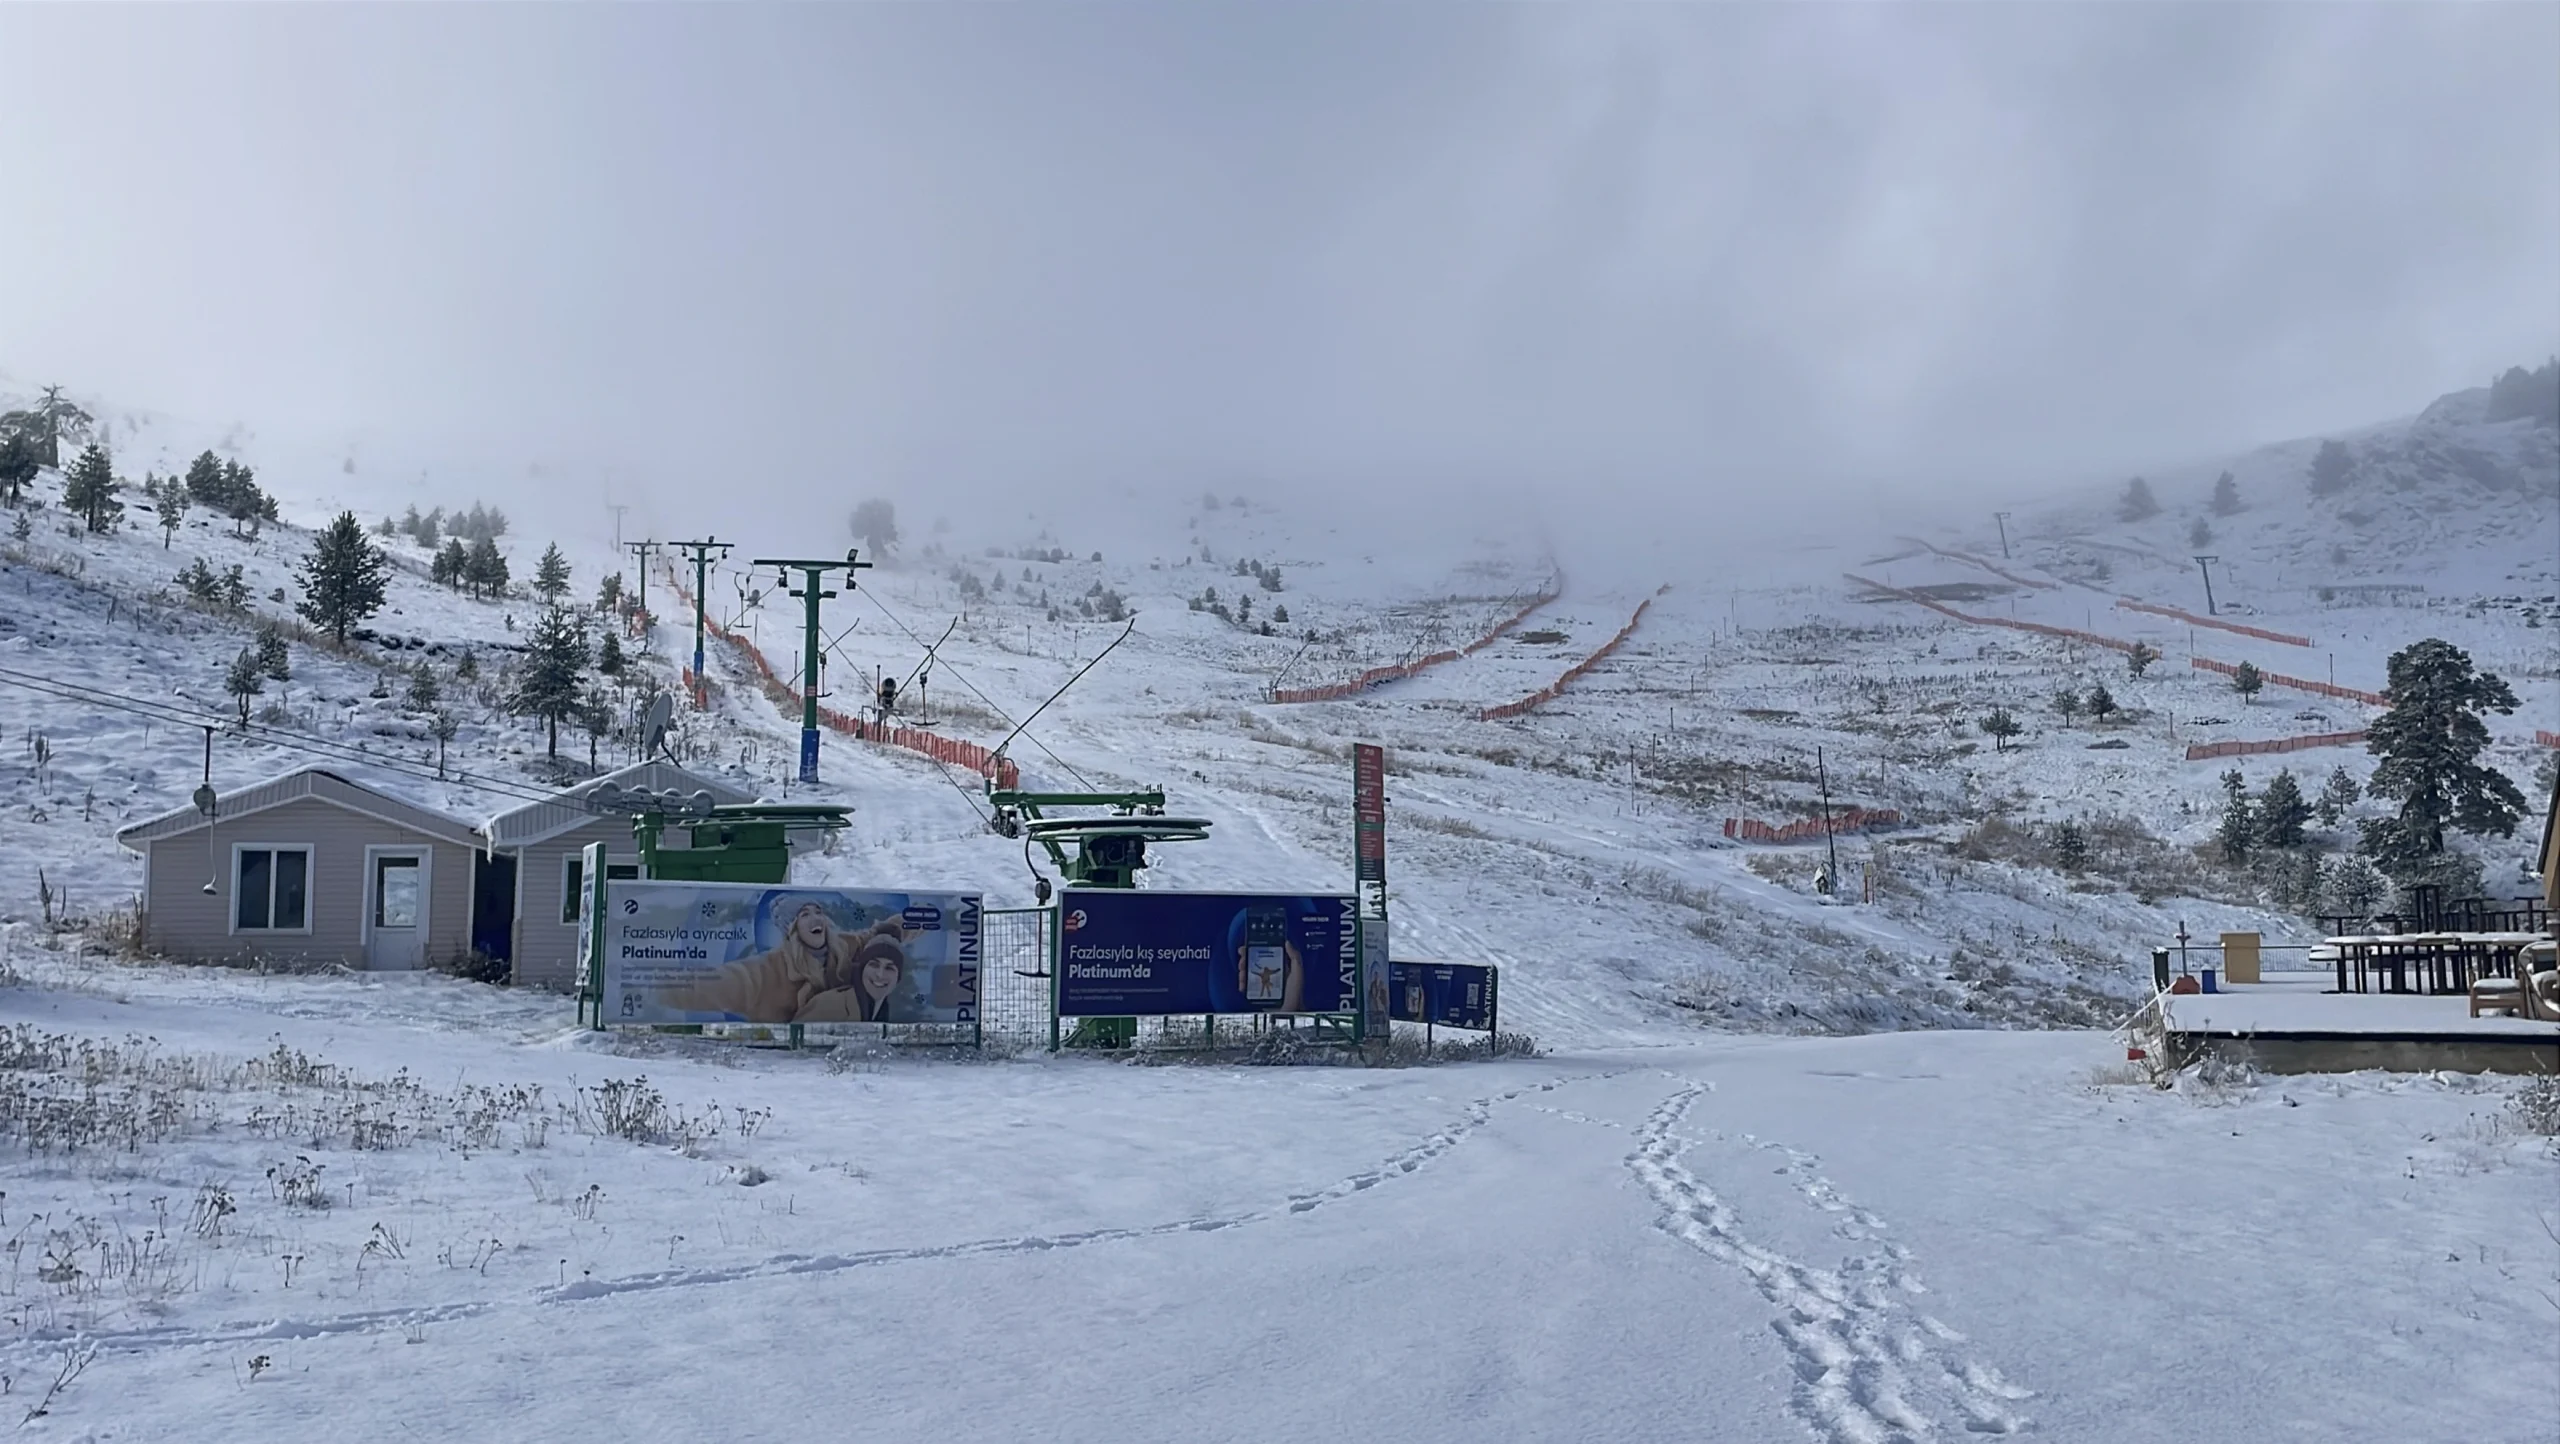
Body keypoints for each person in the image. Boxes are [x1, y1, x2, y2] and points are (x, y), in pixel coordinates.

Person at [664, 895, 862, 1022]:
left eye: (819, 912)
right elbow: (720, 982)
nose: (816, 918)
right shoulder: (769, 970)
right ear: (791, 928)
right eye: (805, 915)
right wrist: (655, 987)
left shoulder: (842, 947)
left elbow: (876, 936)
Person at [795, 918, 916, 1023]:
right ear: (862, 969)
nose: (880, 974)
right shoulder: (830, 1004)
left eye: (889, 968)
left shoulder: (881, 1009)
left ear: (898, 977)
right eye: (874, 965)